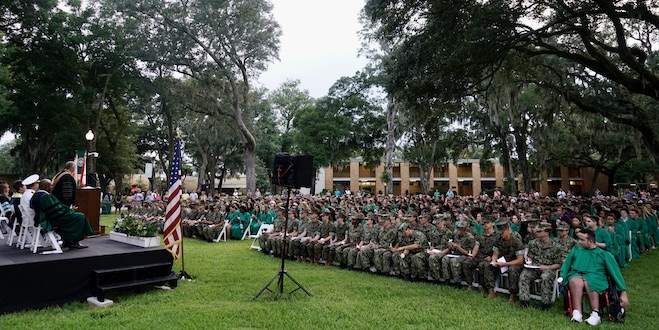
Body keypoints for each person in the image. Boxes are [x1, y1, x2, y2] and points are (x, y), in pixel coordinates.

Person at [560, 229, 629, 325]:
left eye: (582, 240)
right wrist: (562, 276)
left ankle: (595, 313)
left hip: (596, 275)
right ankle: (577, 312)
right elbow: (567, 264)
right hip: (577, 273)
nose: (579, 242)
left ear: (590, 241)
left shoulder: (603, 254)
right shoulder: (576, 250)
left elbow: (616, 273)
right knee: (575, 281)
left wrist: (623, 292)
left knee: (590, 282)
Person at [30, 179, 94, 249]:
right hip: (51, 220)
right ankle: (73, 242)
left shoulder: (36, 195)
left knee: (77, 216)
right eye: (50, 185)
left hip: (44, 218)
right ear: (46, 187)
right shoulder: (45, 197)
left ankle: (67, 241)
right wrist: (70, 211)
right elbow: (57, 211)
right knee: (80, 217)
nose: (51, 187)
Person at [518, 222, 563, 310]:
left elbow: (559, 264)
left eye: (539, 231)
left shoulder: (556, 246)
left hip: (549, 268)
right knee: (524, 275)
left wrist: (547, 268)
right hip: (535, 267)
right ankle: (524, 301)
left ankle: (546, 303)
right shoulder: (533, 243)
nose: (536, 233)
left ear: (546, 233)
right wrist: (529, 261)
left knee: (546, 277)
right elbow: (530, 256)